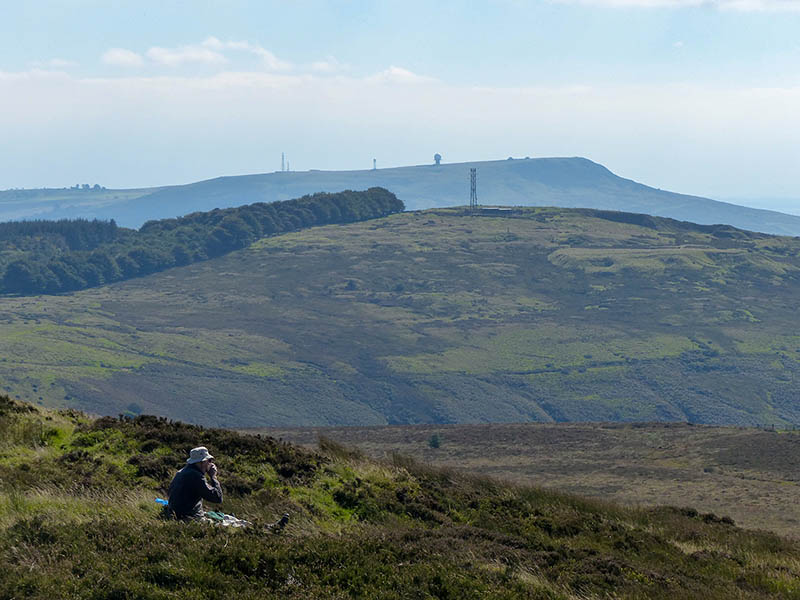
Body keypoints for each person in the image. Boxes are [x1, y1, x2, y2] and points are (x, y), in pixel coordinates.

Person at [166, 446, 223, 521]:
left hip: (172, 513)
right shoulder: (196, 476)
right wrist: (213, 477)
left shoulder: (181, 472)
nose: (211, 463)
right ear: (202, 462)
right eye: (209, 461)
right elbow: (217, 498)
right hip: (188, 517)